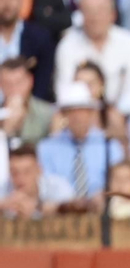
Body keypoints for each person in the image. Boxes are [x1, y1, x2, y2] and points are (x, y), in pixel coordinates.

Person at [36, 81, 123, 211]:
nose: (77, 117)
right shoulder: (47, 147)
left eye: (82, 111)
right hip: (60, 213)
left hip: (101, 211)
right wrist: (69, 203)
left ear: (91, 112)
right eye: (71, 112)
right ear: (64, 114)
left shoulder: (109, 146)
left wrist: (102, 195)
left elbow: (120, 181)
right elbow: (45, 184)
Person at [0, 0, 52, 99]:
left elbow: (43, 83)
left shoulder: (40, 37)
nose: (7, 3)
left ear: (20, 0)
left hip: (30, 111)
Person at [0, 146, 72, 217]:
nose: (20, 178)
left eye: (27, 172)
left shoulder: (59, 186)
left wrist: (37, 209)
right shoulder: (3, 190)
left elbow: (72, 210)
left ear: (39, 170)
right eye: (14, 173)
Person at [0, 56, 54, 146]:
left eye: (19, 82)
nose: (14, 89)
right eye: (8, 84)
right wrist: (7, 129)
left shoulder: (48, 113)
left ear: (30, 81)